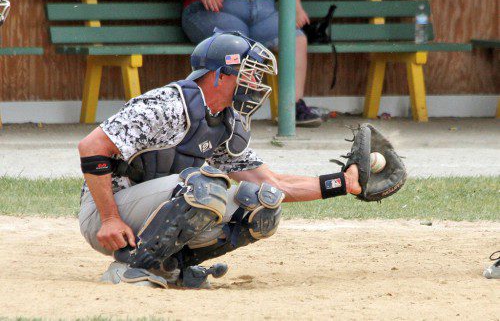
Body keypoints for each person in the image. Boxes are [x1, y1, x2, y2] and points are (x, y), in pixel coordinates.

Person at [77, 31, 362, 289]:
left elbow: (272, 183)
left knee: (262, 203)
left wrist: (343, 183)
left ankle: (172, 266)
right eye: (248, 74)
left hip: (150, 209)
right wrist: (110, 218)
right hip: (106, 216)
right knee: (204, 187)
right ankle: (131, 268)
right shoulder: (167, 105)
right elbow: (91, 147)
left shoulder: (223, 122)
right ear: (218, 75)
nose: (256, 83)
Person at [181, 0, 322, 127]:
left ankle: (293, 108)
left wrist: (295, 7)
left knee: (296, 40)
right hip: (214, 7)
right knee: (234, 45)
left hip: (264, 10)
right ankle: (227, 112)